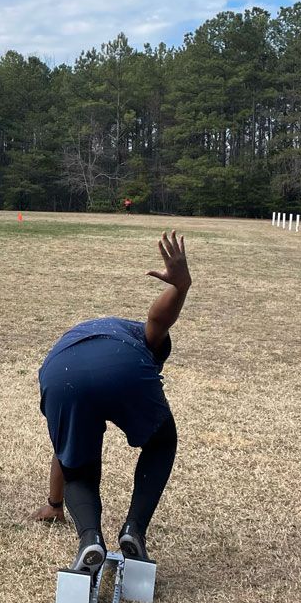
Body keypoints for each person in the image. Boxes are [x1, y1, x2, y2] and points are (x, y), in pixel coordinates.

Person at [31, 231, 191, 571]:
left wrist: (54, 503)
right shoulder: (138, 336)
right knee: (162, 442)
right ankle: (134, 530)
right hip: (123, 366)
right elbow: (158, 320)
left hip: (59, 373)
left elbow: (63, 454)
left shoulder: (85, 333)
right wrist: (181, 287)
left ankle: (90, 539)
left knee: (77, 462)